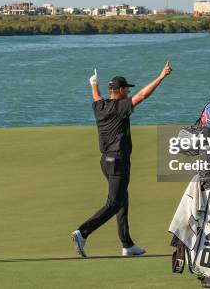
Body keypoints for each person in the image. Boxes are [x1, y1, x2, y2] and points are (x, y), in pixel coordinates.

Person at [71, 61, 172, 257]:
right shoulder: (120, 106)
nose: (128, 91)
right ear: (120, 90)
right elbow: (142, 95)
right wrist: (161, 76)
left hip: (106, 162)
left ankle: (127, 245)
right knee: (114, 203)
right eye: (126, 88)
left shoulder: (99, 106)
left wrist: (93, 83)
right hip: (118, 161)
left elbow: (96, 96)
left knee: (122, 199)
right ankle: (82, 232)